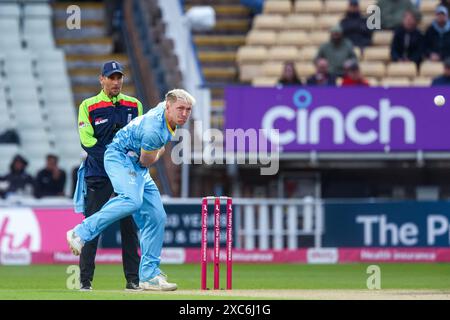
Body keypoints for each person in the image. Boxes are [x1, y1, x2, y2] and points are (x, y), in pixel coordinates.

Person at [67, 89, 195, 291]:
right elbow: (147, 160)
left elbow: (143, 161)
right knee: (131, 200)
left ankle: (149, 275)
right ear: (168, 106)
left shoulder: (166, 113)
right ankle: (80, 232)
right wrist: (161, 150)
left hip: (135, 162)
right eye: (180, 109)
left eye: (188, 109)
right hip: (119, 157)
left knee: (157, 216)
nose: (185, 114)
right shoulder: (155, 129)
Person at [75, 61, 143, 291]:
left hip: (126, 175)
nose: (116, 82)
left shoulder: (134, 105)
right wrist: (114, 160)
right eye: (111, 77)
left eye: (119, 77)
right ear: (101, 79)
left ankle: (133, 280)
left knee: (130, 228)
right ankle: (85, 281)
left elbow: (139, 138)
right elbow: (87, 141)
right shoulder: (88, 105)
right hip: (99, 174)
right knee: (92, 225)